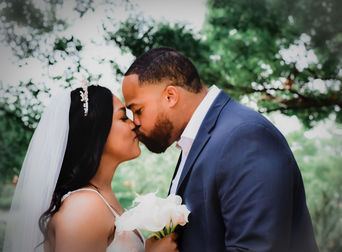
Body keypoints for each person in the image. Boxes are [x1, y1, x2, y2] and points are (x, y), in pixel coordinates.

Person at [122, 47, 319, 252]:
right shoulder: (202, 140)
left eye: (138, 110)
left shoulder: (245, 137)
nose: (135, 122)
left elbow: (256, 248)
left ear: (170, 96)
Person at [3, 85, 178, 252]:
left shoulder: (98, 199)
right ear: (96, 131)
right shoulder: (84, 207)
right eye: (123, 118)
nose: (134, 125)